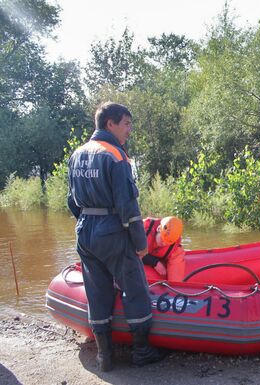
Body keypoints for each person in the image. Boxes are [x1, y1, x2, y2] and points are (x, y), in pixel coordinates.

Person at [67, 102, 164, 371]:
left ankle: (104, 356)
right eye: (126, 124)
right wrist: (140, 242)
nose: (129, 130)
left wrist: (88, 224)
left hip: (85, 229)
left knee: (97, 291)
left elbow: (71, 201)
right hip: (111, 229)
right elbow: (128, 206)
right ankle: (142, 351)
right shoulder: (115, 156)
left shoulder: (77, 154)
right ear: (110, 123)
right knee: (135, 288)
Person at [142, 216, 186, 281]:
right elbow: (127, 249)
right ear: (159, 229)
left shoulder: (176, 250)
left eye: (167, 242)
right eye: (162, 239)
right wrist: (154, 262)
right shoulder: (143, 227)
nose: (164, 244)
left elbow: (175, 282)